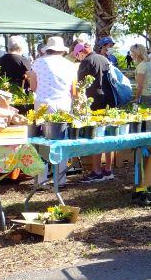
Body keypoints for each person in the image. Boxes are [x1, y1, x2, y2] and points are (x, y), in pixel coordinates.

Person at [28, 37, 76, 186]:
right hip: (63, 104)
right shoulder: (69, 65)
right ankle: (60, 179)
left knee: (41, 140)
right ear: (62, 50)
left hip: (43, 104)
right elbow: (74, 90)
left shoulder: (38, 63)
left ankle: (41, 178)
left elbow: (34, 87)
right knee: (61, 140)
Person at [74, 42, 117, 183]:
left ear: (80, 52)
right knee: (108, 135)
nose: (78, 59)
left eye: (76, 56)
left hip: (95, 102)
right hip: (110, 101)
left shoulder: (86, 62)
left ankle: (97, 171)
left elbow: (80, 87)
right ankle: (108, 169)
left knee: (96, 136)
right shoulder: (104, 58)